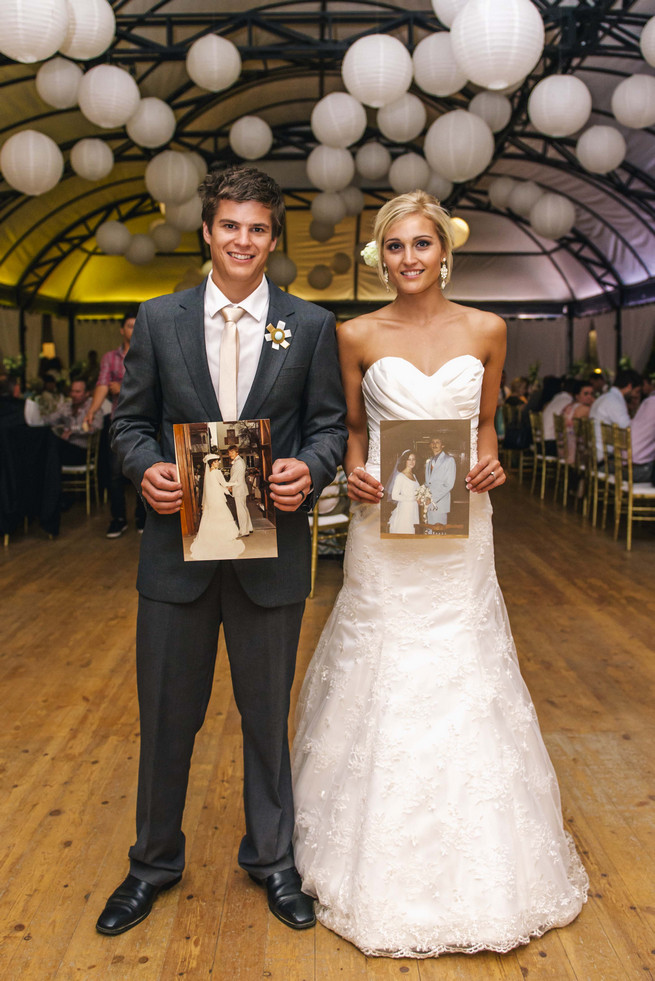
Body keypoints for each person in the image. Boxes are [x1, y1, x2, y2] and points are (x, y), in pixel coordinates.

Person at [292, 190, 588, 958]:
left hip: (459, 535)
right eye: (394, 247)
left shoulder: (487, 329)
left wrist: (489, 463)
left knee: (462, 664)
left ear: (443, 251)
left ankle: (484, 855)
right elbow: (354, 432)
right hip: (382, 535)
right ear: (379, 257)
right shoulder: (352, 333)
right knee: (382, 659)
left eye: (420, 244)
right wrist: (352, 476)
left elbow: (485, 427)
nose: (408, 258)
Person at [95, 167, 347, 937]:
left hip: (270, 560)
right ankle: (152, 862)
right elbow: (127, 423)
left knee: (265, 715)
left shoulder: (305, 325)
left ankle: (272, 860)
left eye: (258, 229)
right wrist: (146, 470)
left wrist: (314, 465)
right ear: (207, 230)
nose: (243, 241)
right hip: (176, 559)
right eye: (230, 226)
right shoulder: (159, 318)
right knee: (167, 715)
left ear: (274, 239)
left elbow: (330, 425)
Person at [85, 313, 147, 538]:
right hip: (118, 422)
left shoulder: (148, 353)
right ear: (122, 330)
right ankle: (118, 518)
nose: (133, 329)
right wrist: (91, 411)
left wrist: (122, 387)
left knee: (144, 471)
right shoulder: (110, 358)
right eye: (129, 326)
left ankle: (143, 516)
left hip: (148, 422)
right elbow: (103, 385)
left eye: (136, 326)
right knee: (114, 474)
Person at [189, 454, 244, 560]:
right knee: (221, 516)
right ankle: (222, 538)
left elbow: (210, 488)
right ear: (212, 463)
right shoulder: (217, 472)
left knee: (211, 517)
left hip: (211, 499)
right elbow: (224, 483)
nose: (218, 462)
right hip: (218, 498)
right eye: (217, 461)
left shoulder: (208, 473)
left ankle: (211, 538)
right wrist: (235, 483)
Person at [42, 378, 103, 465]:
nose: (73, 395)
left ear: (87, 393)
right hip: (66, 448)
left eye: (78, 392)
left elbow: (96, 427)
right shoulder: (67, 406)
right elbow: (51, 420)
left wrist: (74, 431)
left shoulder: (93, 408)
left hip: (83, 451)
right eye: (72, 391)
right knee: (48, 441)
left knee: (53, 447)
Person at [589, 368, 642, 461]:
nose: (636, 396)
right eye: (637, 391)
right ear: (630, 386)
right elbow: (628, 429)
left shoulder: (604, 398)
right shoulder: (614, 401)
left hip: (593, 452)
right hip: (604, 458)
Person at [424, 435, 456, 528]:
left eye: (437, 442)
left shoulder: (449, 460)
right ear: (430, 445)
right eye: (432, 442)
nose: (434, 444)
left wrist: (432, 498)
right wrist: (423, 496)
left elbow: (449, 484)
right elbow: (428, 483)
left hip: (440, 504)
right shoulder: (429, 461)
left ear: (443, 445)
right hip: (427, 504)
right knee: (429, 532)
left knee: (438, 534)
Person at [562, 380, 594, 464]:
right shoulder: (585, 409)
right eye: (586, 394)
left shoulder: (569, 406)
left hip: (563, 446)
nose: (589, 397)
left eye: (591, 394)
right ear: (577, 396)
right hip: (575, 451)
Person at [387, 449, 419, 533]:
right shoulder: (400, 476)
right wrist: (412, 498)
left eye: (413, 459)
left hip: (414, 508)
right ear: (405, 461)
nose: (412, 462)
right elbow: (394, 496)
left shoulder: (414, 476)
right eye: (409, 459)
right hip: (405, 509)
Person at [226, 444, 253, 537]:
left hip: (238, 489)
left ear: (237, 452)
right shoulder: (238, 461)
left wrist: (229, 486)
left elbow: (234, 477)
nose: (230, 454)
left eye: (232, 452)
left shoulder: (238, 462)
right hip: (240, 488)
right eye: (229, 453)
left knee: (241, 510)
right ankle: (248, 528)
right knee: (244, 508)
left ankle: (244, 531)